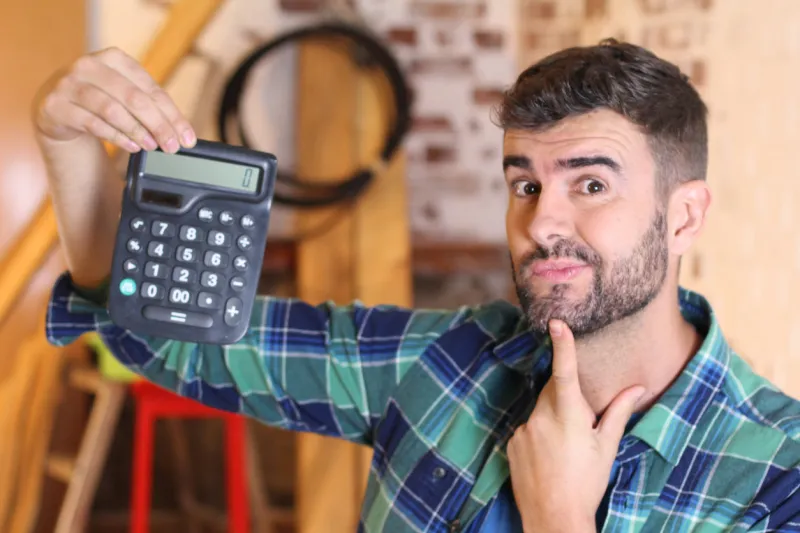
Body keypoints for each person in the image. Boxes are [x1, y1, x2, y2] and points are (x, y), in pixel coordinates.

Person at [34, 39, 800, 532]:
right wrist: (67, 146)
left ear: (683, 215)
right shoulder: (444, 361)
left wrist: (560, 517)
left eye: (591, 184)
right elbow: (169, 333)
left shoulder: (777, 474)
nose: (542, 224)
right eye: (525, 185)